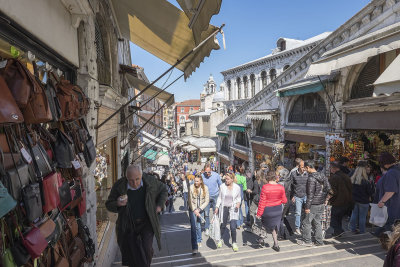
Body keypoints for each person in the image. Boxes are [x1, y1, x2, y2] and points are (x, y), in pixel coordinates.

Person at [105, 164, 167, 267]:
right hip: (128, 224)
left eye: (137, 179)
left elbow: (163, 190)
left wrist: (159, 205)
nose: (135, 183)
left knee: (146, 248)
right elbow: (108, 204)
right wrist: (117, 203)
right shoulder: (119, 186)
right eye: (131, 180)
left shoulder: (150, 181)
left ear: (141, 175)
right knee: (132, 254)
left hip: (147, 222)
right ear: (126, 178)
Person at [298, 161, 331, 247]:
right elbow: (329, 189)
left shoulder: (311, 178)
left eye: (305, 168)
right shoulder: (323, 175)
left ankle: (307, 241)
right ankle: (319, 241)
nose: (305, 170)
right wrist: (326, 199)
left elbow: (310, 194)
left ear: (308, 167)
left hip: (313, 204)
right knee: (317, 222)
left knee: (306, 222)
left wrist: (307, 207)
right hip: (321, 203)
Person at [256, 170, 287, 252]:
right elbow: (284, 201)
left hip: (268, 209)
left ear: (267, 178)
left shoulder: (265, 187)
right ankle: (276, 244)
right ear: (275, 177)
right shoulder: (281, 187)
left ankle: (261, 239)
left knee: (264, 224)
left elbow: (262, 202)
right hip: (277, 210)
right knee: (274, 227)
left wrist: (259, 213)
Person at [374, 152, 400, 236]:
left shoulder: (391, 173)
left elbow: (391, 191)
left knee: (391, 226)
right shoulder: (397, 170)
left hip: (392, 206)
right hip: (397, 204)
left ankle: (392, 245)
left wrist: (382, 201)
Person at [214, 173, 241, 252]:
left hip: (233, 208)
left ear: (232, 179)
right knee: (223, 224)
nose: (226, 180)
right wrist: (217, 207)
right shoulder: (222, 186)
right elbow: (219, 198)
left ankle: (234, 242)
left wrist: (238, 204)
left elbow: (239, 198)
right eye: (225, 179)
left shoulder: (237, 187)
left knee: (233, 226)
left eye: (228, 179)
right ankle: (220, 239)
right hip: (224, 207)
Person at [349, 160, 375, 234]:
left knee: (354, 215)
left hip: (354, 200)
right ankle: (362, 231)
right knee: (362, 217)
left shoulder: (353, 179)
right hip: (364, 201)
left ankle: (352, 229)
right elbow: (370, 192)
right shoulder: (366, 181)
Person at [329, 161, 353, 238]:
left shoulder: (334, 177)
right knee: (338, 218)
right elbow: (351, 188)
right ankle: (337, 232)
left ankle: (339, 230)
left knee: (333, 218)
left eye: (331, 168)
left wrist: (327, 198)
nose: (330, 169)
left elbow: (332, 191)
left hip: (338, 201)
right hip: (346, 201)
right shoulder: (346, 176)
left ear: (334, 169)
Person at [188, 175, 209, 250]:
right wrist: (194, 210)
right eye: (194, 181)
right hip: (192, 209)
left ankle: (199, 240)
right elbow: (190, 201)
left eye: (197, 181)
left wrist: (199, 209)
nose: (195, 182)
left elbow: (207, 201)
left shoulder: (205, 188)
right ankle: (194, 247)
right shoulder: (191, 187)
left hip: (200, 208)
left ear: (201, 181)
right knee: (194, 227)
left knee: (199, 225)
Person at [202, 165, 222, 236]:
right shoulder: (202, 176)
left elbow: (220, 185)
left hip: (215, 195)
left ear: (211, 170)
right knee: (206, 213)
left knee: (215, 212)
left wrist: (221, 195)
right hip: (206, 197)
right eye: (206, 172)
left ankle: (214, 227)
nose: (207, 174)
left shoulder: (216, 175)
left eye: (209, 172)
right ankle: (207, 228)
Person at [289, 159, 308, 235]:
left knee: (307, 212)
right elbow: (291, 186)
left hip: (306, 195)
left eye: (304, 167)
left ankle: (305, 226)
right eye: (302, 167)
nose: (303, 169)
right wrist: (292, 196)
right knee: (298, 213)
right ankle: (297, 228)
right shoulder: (293, 174)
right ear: (298, 167)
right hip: (297, 196)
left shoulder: (307, 174)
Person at [276, 166, 294, 239]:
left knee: (280, 218)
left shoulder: (280, 183)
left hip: (282, 202)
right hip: (287, 201)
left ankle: (282, 235)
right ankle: (290, 230)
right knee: (283, 217)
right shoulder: (289, 181)